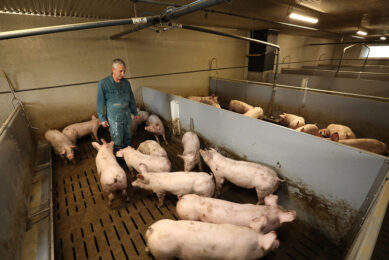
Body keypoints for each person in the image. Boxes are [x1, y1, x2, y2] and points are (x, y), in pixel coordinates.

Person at [97, 58, 139, 153]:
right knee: (117, 139)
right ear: (113, 69)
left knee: (128, 136)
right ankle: (120, 161)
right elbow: (100, 101)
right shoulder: (103, 83)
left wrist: (135, 112)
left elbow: (131, 98)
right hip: (114, 117)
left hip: (127, 114)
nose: (123, 74)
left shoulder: (126, 83)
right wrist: (102, 118)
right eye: (120, 71)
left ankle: (128, 156)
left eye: (124, 71)